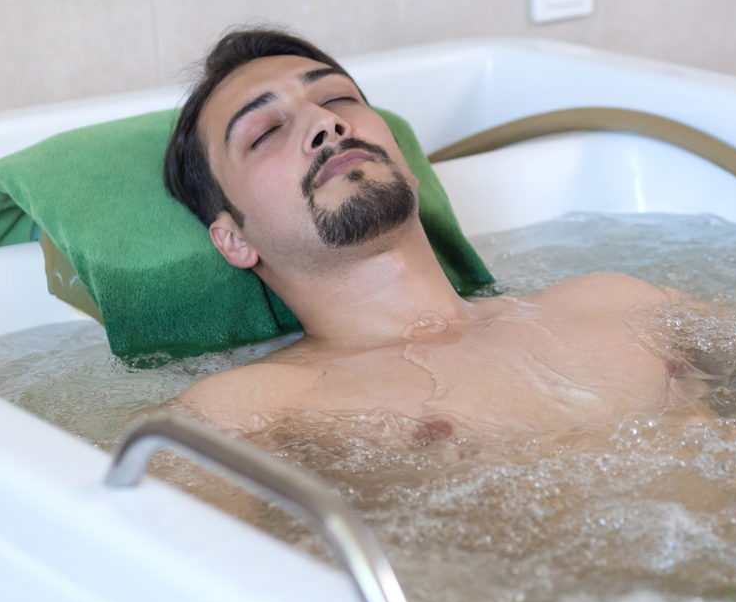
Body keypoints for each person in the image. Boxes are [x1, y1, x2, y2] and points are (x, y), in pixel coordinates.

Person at [162, 28, 699, 442]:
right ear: (234, 240)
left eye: (338, 99)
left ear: (407, 165)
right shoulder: (248, 411)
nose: (325, 124)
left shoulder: (620, 301)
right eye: (265, 131)